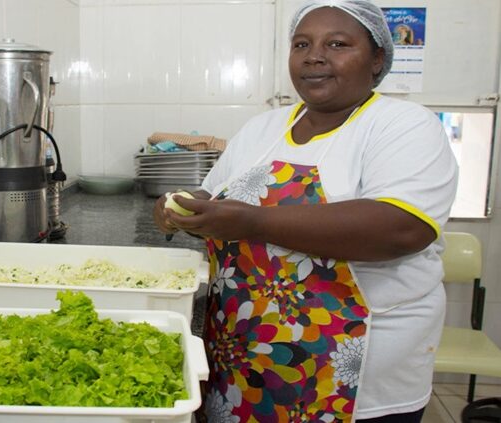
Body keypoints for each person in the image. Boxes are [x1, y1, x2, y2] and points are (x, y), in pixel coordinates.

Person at [153, 0, 458, 422]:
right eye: (301, 44)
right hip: (247, 360)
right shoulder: (262, 127)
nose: (314, 56)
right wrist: (183, 210)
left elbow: (401, 228)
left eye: (337, 43)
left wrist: (252, 221)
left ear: (377, 60)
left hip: (355, 375)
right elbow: (212, 200)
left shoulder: (402, 125)